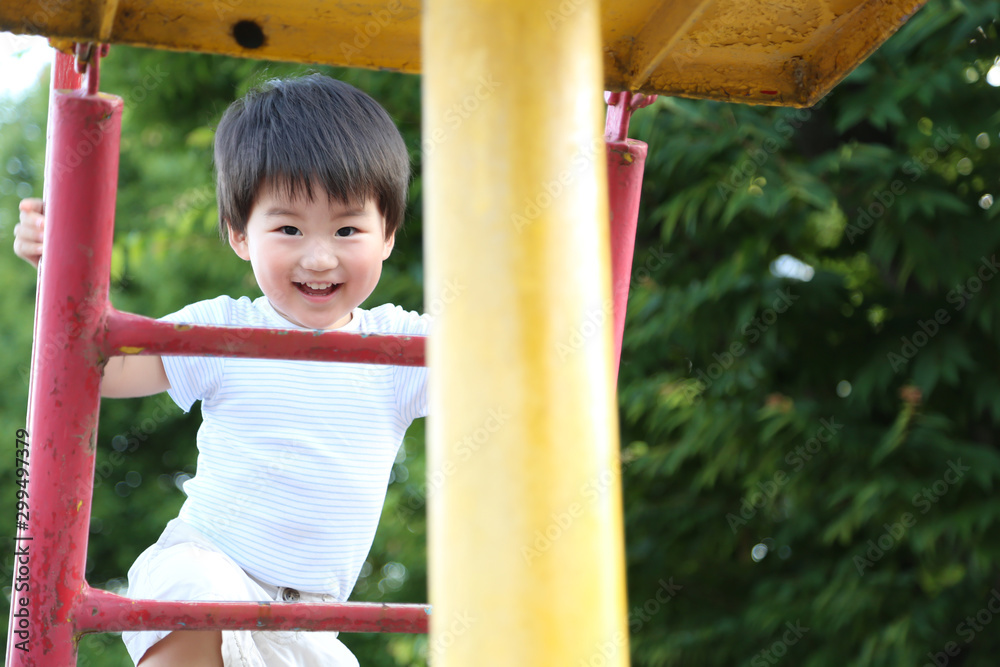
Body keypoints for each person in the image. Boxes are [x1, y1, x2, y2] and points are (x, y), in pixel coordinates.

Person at [13, 74, 429, 667]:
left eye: (347, 229)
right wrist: (59, 276)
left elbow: (506, 367)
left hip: (310, 624)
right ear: (240, 234)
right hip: (212, 565)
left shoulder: (402, 347)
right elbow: (98, 373)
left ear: (387, 234)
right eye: (288, 228)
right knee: (190, 591)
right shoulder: (223, 330)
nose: (319, 256)